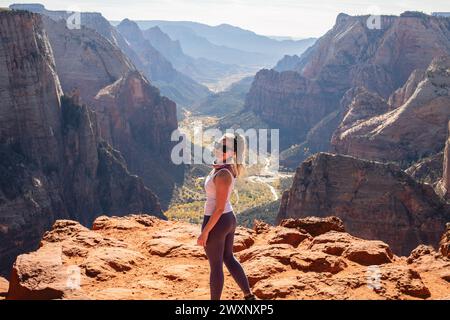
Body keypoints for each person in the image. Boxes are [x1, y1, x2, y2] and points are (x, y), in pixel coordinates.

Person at [197, 132, 256, 300]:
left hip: (217, 220)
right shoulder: (225, 167)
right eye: (217, 144)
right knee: (229, 258)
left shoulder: (223, 174)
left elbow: (219, 208)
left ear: (233, 153)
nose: (218, 148)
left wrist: (205, 231)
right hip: (228, 219)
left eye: (224, 147)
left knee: (216, 267)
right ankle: (248, 295)